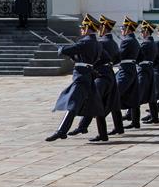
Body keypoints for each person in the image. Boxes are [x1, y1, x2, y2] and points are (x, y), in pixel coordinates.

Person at [46, 14, 108, 143]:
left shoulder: (85, 41)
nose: (81, 30)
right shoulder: (97, 43)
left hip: (81, 77)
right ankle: (103, 134)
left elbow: (69, 50)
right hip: (89, 75)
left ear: (87, 28)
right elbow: (95, 58)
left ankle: (61, 131)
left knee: (73, 104)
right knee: (96, 105)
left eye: (82, 28)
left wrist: (60, 49)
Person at [70, 15, 124, 137]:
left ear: (104, 28)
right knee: (113, 103)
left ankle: (83, 127)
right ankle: (117, 128)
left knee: (94, 102)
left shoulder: (101, 43)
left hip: (101, 75)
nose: (98, 29)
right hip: (109, 73)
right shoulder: (114, 43)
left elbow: (94, 59)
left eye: (100, 27)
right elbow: (116, 59)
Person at [116, 17, 141, 129]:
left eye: (123, 28)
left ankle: (117, 126)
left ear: (128, 29)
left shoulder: (126, 41)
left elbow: (119, 56)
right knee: (134, 97)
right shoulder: (134, 41)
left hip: (125, 70)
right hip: (132, 69)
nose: (121, 30)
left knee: (114, 94)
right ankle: (135, 122)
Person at [135, 20, 157, 125]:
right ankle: (154, 117)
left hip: (143, 70)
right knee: (151, 95)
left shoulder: (145, 43)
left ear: (147, 32)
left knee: (137, 94)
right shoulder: (153, 43)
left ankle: (133, 119)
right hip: (150, 69)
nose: (141, 33)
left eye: (142, 31)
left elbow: (137, 56)